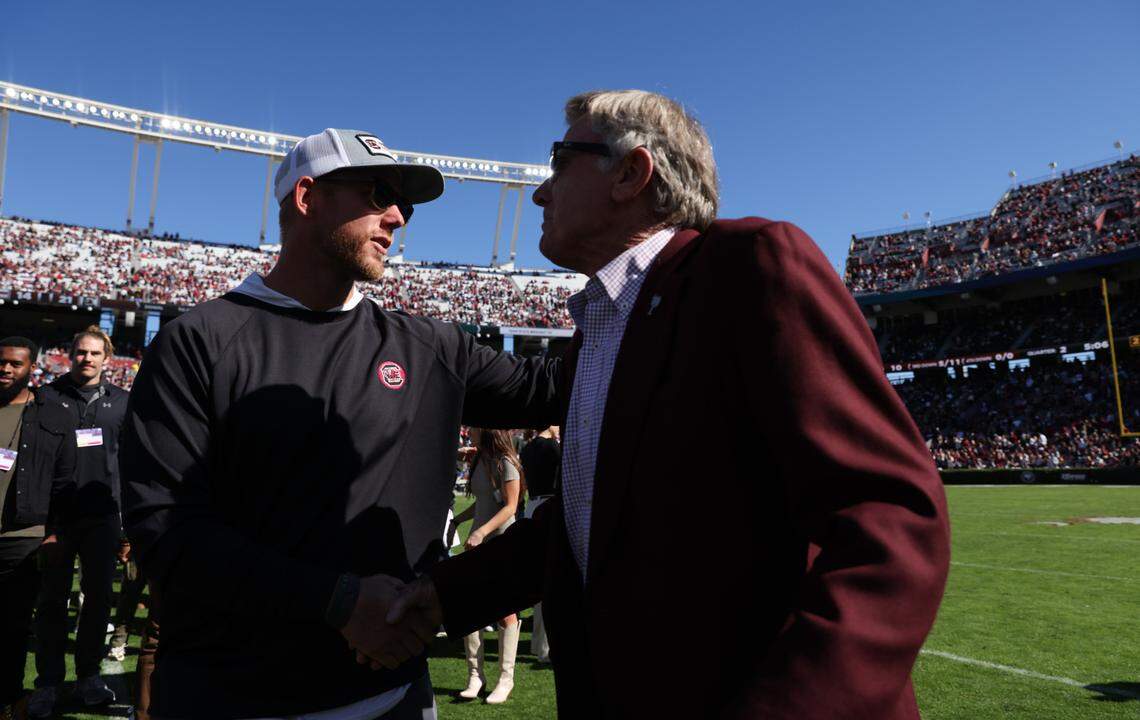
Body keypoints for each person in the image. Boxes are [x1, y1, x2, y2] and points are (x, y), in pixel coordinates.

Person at [390, 90, 951, 718]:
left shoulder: (753, 268)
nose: (541, 193)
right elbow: (583, 523)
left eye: (560, 162)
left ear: (631, 173)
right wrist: (444, 596)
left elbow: (889, 515)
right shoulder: (596, 331)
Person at [118, 128, 561, 720]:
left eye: (404, 203)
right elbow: (166, 533)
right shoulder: (199, 341)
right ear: (307, 198)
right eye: (378, 193)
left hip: (392, 696)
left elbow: (557, 388)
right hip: (229, 696)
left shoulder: (428, 347)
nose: (398, 217)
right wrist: (338, 601)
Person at [29, 326, 129, 716]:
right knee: (51, 601)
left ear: (107, 359)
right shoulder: (46, 397)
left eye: (94, 354)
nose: (87, 359)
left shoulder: (123, 403)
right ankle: (48, 683)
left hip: (103, 516)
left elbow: (130, 462)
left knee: (98, 601)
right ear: (70, 355)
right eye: (80, 353)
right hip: (56, 516)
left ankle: (89, 675)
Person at [0, 337, 76, 720]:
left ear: (33, 368)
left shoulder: (49, 414)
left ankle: (10, 698)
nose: (6, 369)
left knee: (13, 628)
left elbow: (64, 479)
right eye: (2, 363)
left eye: (15, 364)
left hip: (23, 536)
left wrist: (54, 531)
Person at [446, 428, 524, 704]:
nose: (470, 429)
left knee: (505, 612)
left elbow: (511, 507)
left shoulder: (507, 462)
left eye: (476, 425)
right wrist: (460, 521)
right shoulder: (480, 459)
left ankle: (506, 679)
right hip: (478, 545)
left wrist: (480, 532)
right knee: (471, 608)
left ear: (489, 429)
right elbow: (483, 504)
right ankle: (475, 677)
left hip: (502, 544)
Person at [518, 425, 559, 663]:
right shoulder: (552, 447)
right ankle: (544, 647)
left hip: (533, 506)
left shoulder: (528, 447)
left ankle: (538, 644)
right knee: (550, 581)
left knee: (539, 579)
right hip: (548, 507)